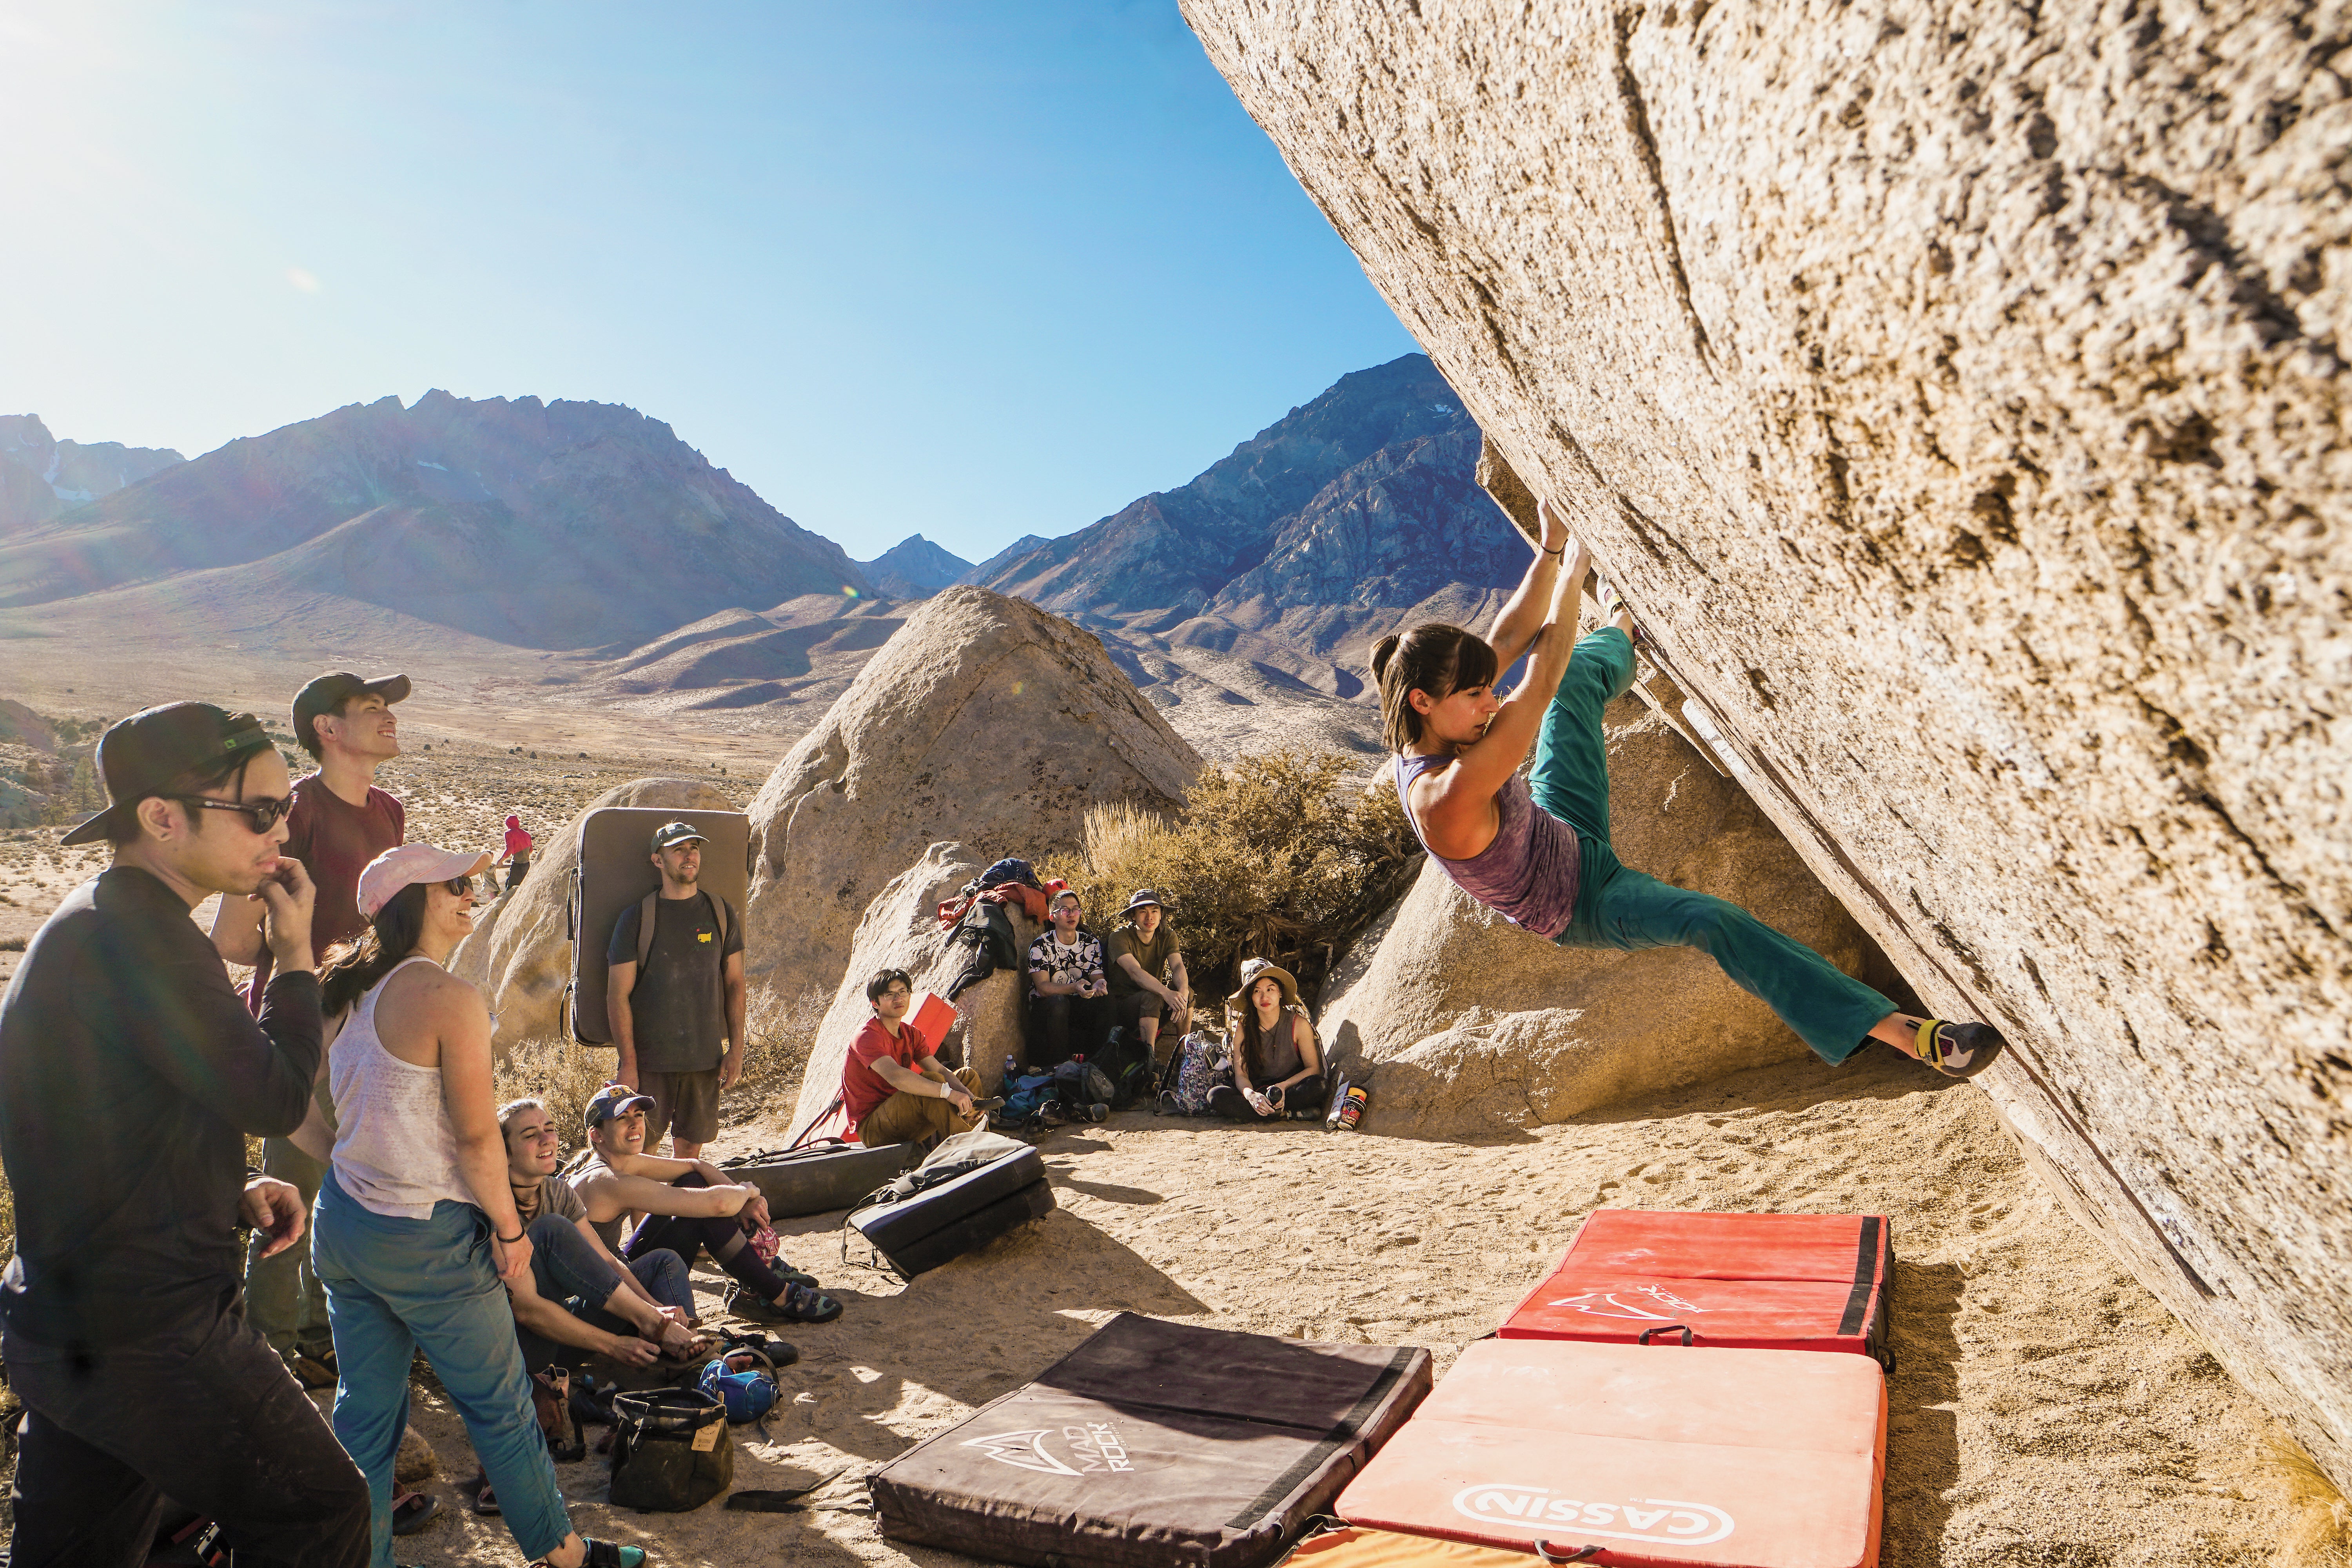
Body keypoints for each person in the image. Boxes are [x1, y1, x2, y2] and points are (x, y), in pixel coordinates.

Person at [1376, 499, 2007, 1080]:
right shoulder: (1444, 797)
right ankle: (1917, 1038)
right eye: (1474, 695)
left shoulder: (1437, 722)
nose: (1489, 702)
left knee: (1576, 689)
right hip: (1582, 901)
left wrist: (1548, 546)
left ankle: (1626, 632)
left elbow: (1510, 640)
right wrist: (1577, 564)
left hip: (1557, 824)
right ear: (1422, 701)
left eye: (1487, 690)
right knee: (1712, 921)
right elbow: (1538, 678)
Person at [0, 701, 371, 1566]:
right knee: (321, 1509)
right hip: (150, 1329)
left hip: (74, 1318)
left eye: (285, 807)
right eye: (260, 811)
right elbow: (278, 1095)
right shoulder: (144, 938)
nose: (282, 831)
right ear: (163, 818)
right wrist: (295, 954)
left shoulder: (105, 920)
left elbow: (93, 1114)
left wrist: (224, 1184)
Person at [301, 842, 646, 1568]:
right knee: (503, 1406)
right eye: (455, 884)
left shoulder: (342, 991)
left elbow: (296, 1111)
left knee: (365, 1418)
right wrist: (512, 1229)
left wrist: (358, 1163)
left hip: (345, 1226)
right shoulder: (447, 999)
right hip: (429, 1240)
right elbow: (477, 1142)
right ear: (409, 903)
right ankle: (565, 1557)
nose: (473, 893)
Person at [214, 669, 410, 1386]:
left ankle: (326, 1333)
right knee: (290, 1196)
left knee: (353, 1191)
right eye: (370, 709)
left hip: (368, 1032)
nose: (388, 718)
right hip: (302, 1035)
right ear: (327, 730)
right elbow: (236, 943)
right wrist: (297, 961)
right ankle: (266, 1356)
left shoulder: (388, 810)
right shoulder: (298, 808)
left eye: (387, 708)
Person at [569, 1086, 842, 1325]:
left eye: (638, 1116)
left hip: (616, 1272)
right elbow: (720, 1203)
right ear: (597, 1136)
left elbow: (694, 1165)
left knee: (693, 1181)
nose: (635, 1125)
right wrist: (749, 1191)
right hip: (606, 1297)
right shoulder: (606, 1181)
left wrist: (746, 1203)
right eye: (622, 1119)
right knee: (704, 1212)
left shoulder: (614, 1160)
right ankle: (777, 1294)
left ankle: (759, 1278)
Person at [497, 1097, 704, 1372]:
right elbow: (527, 1311)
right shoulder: (493, 1207)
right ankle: (674, 1348)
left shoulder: (557, 1192)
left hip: (564, 1326)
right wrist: (614, 1344)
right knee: (552, 1230)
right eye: (530, 1135)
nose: (547, 1139)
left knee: (663, 1262)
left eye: (550, 1129)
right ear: (504, 1153)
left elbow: (607, 1262)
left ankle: (692, 1355)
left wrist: (654, 1310)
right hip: (522, 1348)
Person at [606, 821, 745, 1160]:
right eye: (679, 849)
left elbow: (735, 983)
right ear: (658, 860)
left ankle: (681, 1214)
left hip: (704, 1059)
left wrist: (737, 1050)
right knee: (644, 1155)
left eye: (694, 848)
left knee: (690, 1153)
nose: (689, 856)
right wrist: (629, 1064)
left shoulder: (721, 912)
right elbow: (617, 995)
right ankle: (645, 1217)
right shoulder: (637, 918)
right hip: (651, 1062)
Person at [843, 968, 982, 1148]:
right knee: (933, 1083)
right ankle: (969, 1150)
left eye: (903, 992)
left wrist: (972, 1100)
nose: (898, 999)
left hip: (905, 1116)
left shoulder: (911, 1033)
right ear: (875, 1003)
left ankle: (981, 1134)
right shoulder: (867, 1035)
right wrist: (949, 1093)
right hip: (875, 1128)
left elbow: (939, 1069)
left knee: (966, 1077)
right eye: (889, 995)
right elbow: (897, 1077)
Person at [1207, 960, 1326, 1123]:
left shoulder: (1298, 1024)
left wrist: (1283, 1087)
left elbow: (1313, 1068)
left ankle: (1263, 1115)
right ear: (1251, 997)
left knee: (1318, 1086)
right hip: (1258, 1091)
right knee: (1215, 1095)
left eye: (1271, 989)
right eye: (1257, 991)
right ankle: (1284, 1114)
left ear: (1281, 993)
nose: (1265, 997)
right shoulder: (1243, 1028)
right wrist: (1251, 1095)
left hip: (1290, 1089)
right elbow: (1241, 1074)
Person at [1105, 887, 1191, 1065]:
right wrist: (1166, 993)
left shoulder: (1167, 935)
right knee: (1153, 997)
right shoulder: (1119, 937)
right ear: (1133, 916)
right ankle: (1148, 1061)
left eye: (1155, 911)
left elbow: (1177, 965)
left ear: (1161, 915)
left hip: (1154, 1003)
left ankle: (1184, 1055)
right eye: (1143, 912)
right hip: (1123, 1006)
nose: (1149, 917)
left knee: (1187, 994)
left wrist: (1182, 993)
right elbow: (1135, 972)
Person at [1027, 889, 1111, 1067]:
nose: (1072, 915)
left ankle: (1100, 1064)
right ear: (1053, 917)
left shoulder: (1091, 943)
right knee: (1059, 1003)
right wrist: (1074, 988)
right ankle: (1060, 1066)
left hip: (1077, 1003)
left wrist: (1100, 985)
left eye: (1076, 909)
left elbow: (1097, 975)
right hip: (1047, 1009)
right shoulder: (1041, 946)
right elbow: (1043, 987)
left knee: (1107, 1002)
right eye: (1065, 910)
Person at [495, 813, 534, 893]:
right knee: (525, 888)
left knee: (510, 889)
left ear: (508, 824)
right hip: (527, 865)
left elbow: (509, 850)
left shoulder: (509, 833)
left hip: (517, 865)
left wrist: (501, 861)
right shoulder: (527, 834)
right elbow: (531, 850)